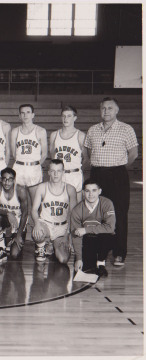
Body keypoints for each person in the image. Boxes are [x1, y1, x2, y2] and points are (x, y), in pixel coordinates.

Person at [84, 97, 138, 266]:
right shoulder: (93, 129)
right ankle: (101, 250)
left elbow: (134, 154)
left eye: (110, 108)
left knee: (119, 213)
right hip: (97, 174)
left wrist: (117, 168)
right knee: (98, 213)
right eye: (103, 108)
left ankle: (119, 252)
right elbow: (87, 151)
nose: (106, 111)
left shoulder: (126, 129)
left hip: (117, 175)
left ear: (117, 110)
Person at [31, 159, 77, 263]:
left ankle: (52, 244)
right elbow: (34, 210)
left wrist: (67, 235)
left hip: (62, 227)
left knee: (63, 259)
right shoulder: (42, 187)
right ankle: (41, 247)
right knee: (37, 233)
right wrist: (37, 224)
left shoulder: (70, 189)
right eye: (53, 171)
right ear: (48, 172)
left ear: (63, 172)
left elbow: (74, 215)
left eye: (59, 171)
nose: (56, 174)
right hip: (46, 224)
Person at [70, 179, 116, 277]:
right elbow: (76, 235)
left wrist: (86, 229)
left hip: (102, 239)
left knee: (109, 236)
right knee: (86, 269)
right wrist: (78, 258)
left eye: (94, 190)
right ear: (83, 193)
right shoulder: (77, 210)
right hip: (87, 241)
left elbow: (110, 228)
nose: (91, 194)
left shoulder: (107, 203)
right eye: (87, 191)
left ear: (99, 191)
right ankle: (90, 259)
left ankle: (101, 263)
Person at [0, 167, 29, 263]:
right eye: (4, 179)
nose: (7, 182)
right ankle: (2, 249)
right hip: (6, 218)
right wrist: (8, 213)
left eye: (10, 179)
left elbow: (25, 214)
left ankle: (12, 239)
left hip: (18, 222)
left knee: (14, 254)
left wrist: (19, 235)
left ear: (14, 180)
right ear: (1, 179)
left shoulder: (21, 191)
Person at [50, 105, 87, 202]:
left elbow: (86, 158)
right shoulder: (54, 135)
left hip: (74, 174)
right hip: (59, 174)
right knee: (58, 204)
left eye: (69, 116)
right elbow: (52, 156)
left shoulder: (81, 136)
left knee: (76, 207)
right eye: (63, 116)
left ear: (75, 118)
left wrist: (77, 169)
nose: (66, 119)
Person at [11, 104, 48, 201]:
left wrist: (36, 165)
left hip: (33, 168)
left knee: (36, 201)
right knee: (19, 201)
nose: (25, 115)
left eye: (28, 112)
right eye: (22, 113)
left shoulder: (40, 131)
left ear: (33, 115)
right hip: (19, 168)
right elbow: (14, 154)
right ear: (19, 116)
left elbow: (44, 154)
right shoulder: (15, 131)